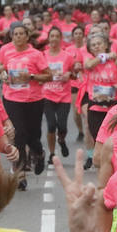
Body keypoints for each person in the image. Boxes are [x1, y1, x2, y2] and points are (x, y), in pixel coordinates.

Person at [0, 22, 51, 176]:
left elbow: (49, 76)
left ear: (27, 37)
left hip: (34, 100)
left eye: (21, 34)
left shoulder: (36, 54)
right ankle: (20, 172)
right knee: (18, 134)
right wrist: (3, 73)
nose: (18, 36)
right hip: (12, 98)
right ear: (11, 36)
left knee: (33, 136)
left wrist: (31, 76)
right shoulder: (5, 50)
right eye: (15, 34)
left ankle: (39, 154)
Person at [42, 26, 79, 165]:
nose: (54, 39)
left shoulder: (67, 56)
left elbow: (75, 74)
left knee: (62, 126)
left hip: (63, 96)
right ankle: (51, 154)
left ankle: (62, 140)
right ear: (48, 38)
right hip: (47, 94)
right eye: (52, 36)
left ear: (61, 39)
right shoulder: (43, 55)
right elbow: (38, 72)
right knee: (51, 125)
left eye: (57, 36)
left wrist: (69, 74)